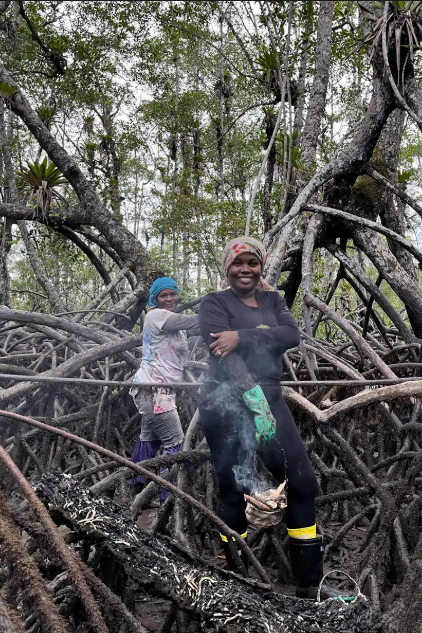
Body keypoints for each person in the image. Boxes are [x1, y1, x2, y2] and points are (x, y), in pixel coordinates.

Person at [197, 236, 323, 599]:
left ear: (261, 267)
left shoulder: (273, 299)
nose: (245, 269)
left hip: (269, 398)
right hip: (224, 403)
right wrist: (251, 390)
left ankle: (308, 588)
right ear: (227, 267)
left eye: (252, 263)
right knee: (233, 489)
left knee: (302, 484)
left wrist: (243, 335)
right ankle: (234, 576)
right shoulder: (214, 303)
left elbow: (290, 334)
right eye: (238, 263)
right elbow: (224, 354)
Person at [130, 277, 198, 498]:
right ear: (155, 299)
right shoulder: (155, 316)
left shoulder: (177, 327)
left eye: (172, 294)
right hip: (153, 390)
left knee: (149, 439)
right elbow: (194, 322)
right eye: (163, 295)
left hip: (161, 391)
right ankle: (166, 500)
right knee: (175, 441)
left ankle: (138, 489)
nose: (169, 299)